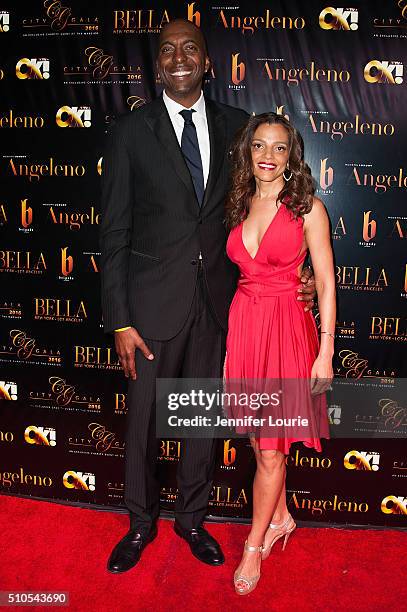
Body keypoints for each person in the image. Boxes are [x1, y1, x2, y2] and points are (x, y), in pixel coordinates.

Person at [100, 19, 316, 573]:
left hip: (220, 306)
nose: (179, 57)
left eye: (189, 48)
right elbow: (115, 233)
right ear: (157, 65)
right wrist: (120, 319)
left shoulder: (238, 127)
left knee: (197, 421)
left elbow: (268, 202)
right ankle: (140, 523)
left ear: (206, 62)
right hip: (151, 307)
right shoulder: (129, 132)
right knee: (145, 421)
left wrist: (302, 275)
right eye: (167, 50)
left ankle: (191, 521)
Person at [223, 112, 335, 595]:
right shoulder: (238, 201)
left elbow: (326, 281)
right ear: (248, 151)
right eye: (260, 147)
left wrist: (326, 349)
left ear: (292, 156)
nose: (268, 157)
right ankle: (282, 517)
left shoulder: (307, 207)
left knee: (270, 449)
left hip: (287, 331)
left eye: (280, 148)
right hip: (245, 326)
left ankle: (253, 546)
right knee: (258, 439)